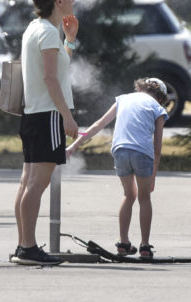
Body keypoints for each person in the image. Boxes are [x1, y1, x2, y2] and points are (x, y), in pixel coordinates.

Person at [10, 0, 79, 266]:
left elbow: (55, 70)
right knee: (37, 183)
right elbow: (51, 78)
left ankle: (23, 244)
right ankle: (28, 247)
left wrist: (71, 41)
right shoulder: (48, 33)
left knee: (28, 182)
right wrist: (67, 117)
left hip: (33, 114)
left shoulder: (36, 29)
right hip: (48, 115)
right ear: (59, 1)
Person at [67, 78, 169, 260]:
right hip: (142, 153)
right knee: (144, 197)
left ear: (140, 88)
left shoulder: (123, 99)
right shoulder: (158, 108)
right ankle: (145, 247)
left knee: (128, 194)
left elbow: (98, 124)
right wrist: (153, 175)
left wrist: (73, 146)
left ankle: (123, 243)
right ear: (160, 97)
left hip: (120, 150)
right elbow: (157, 146)